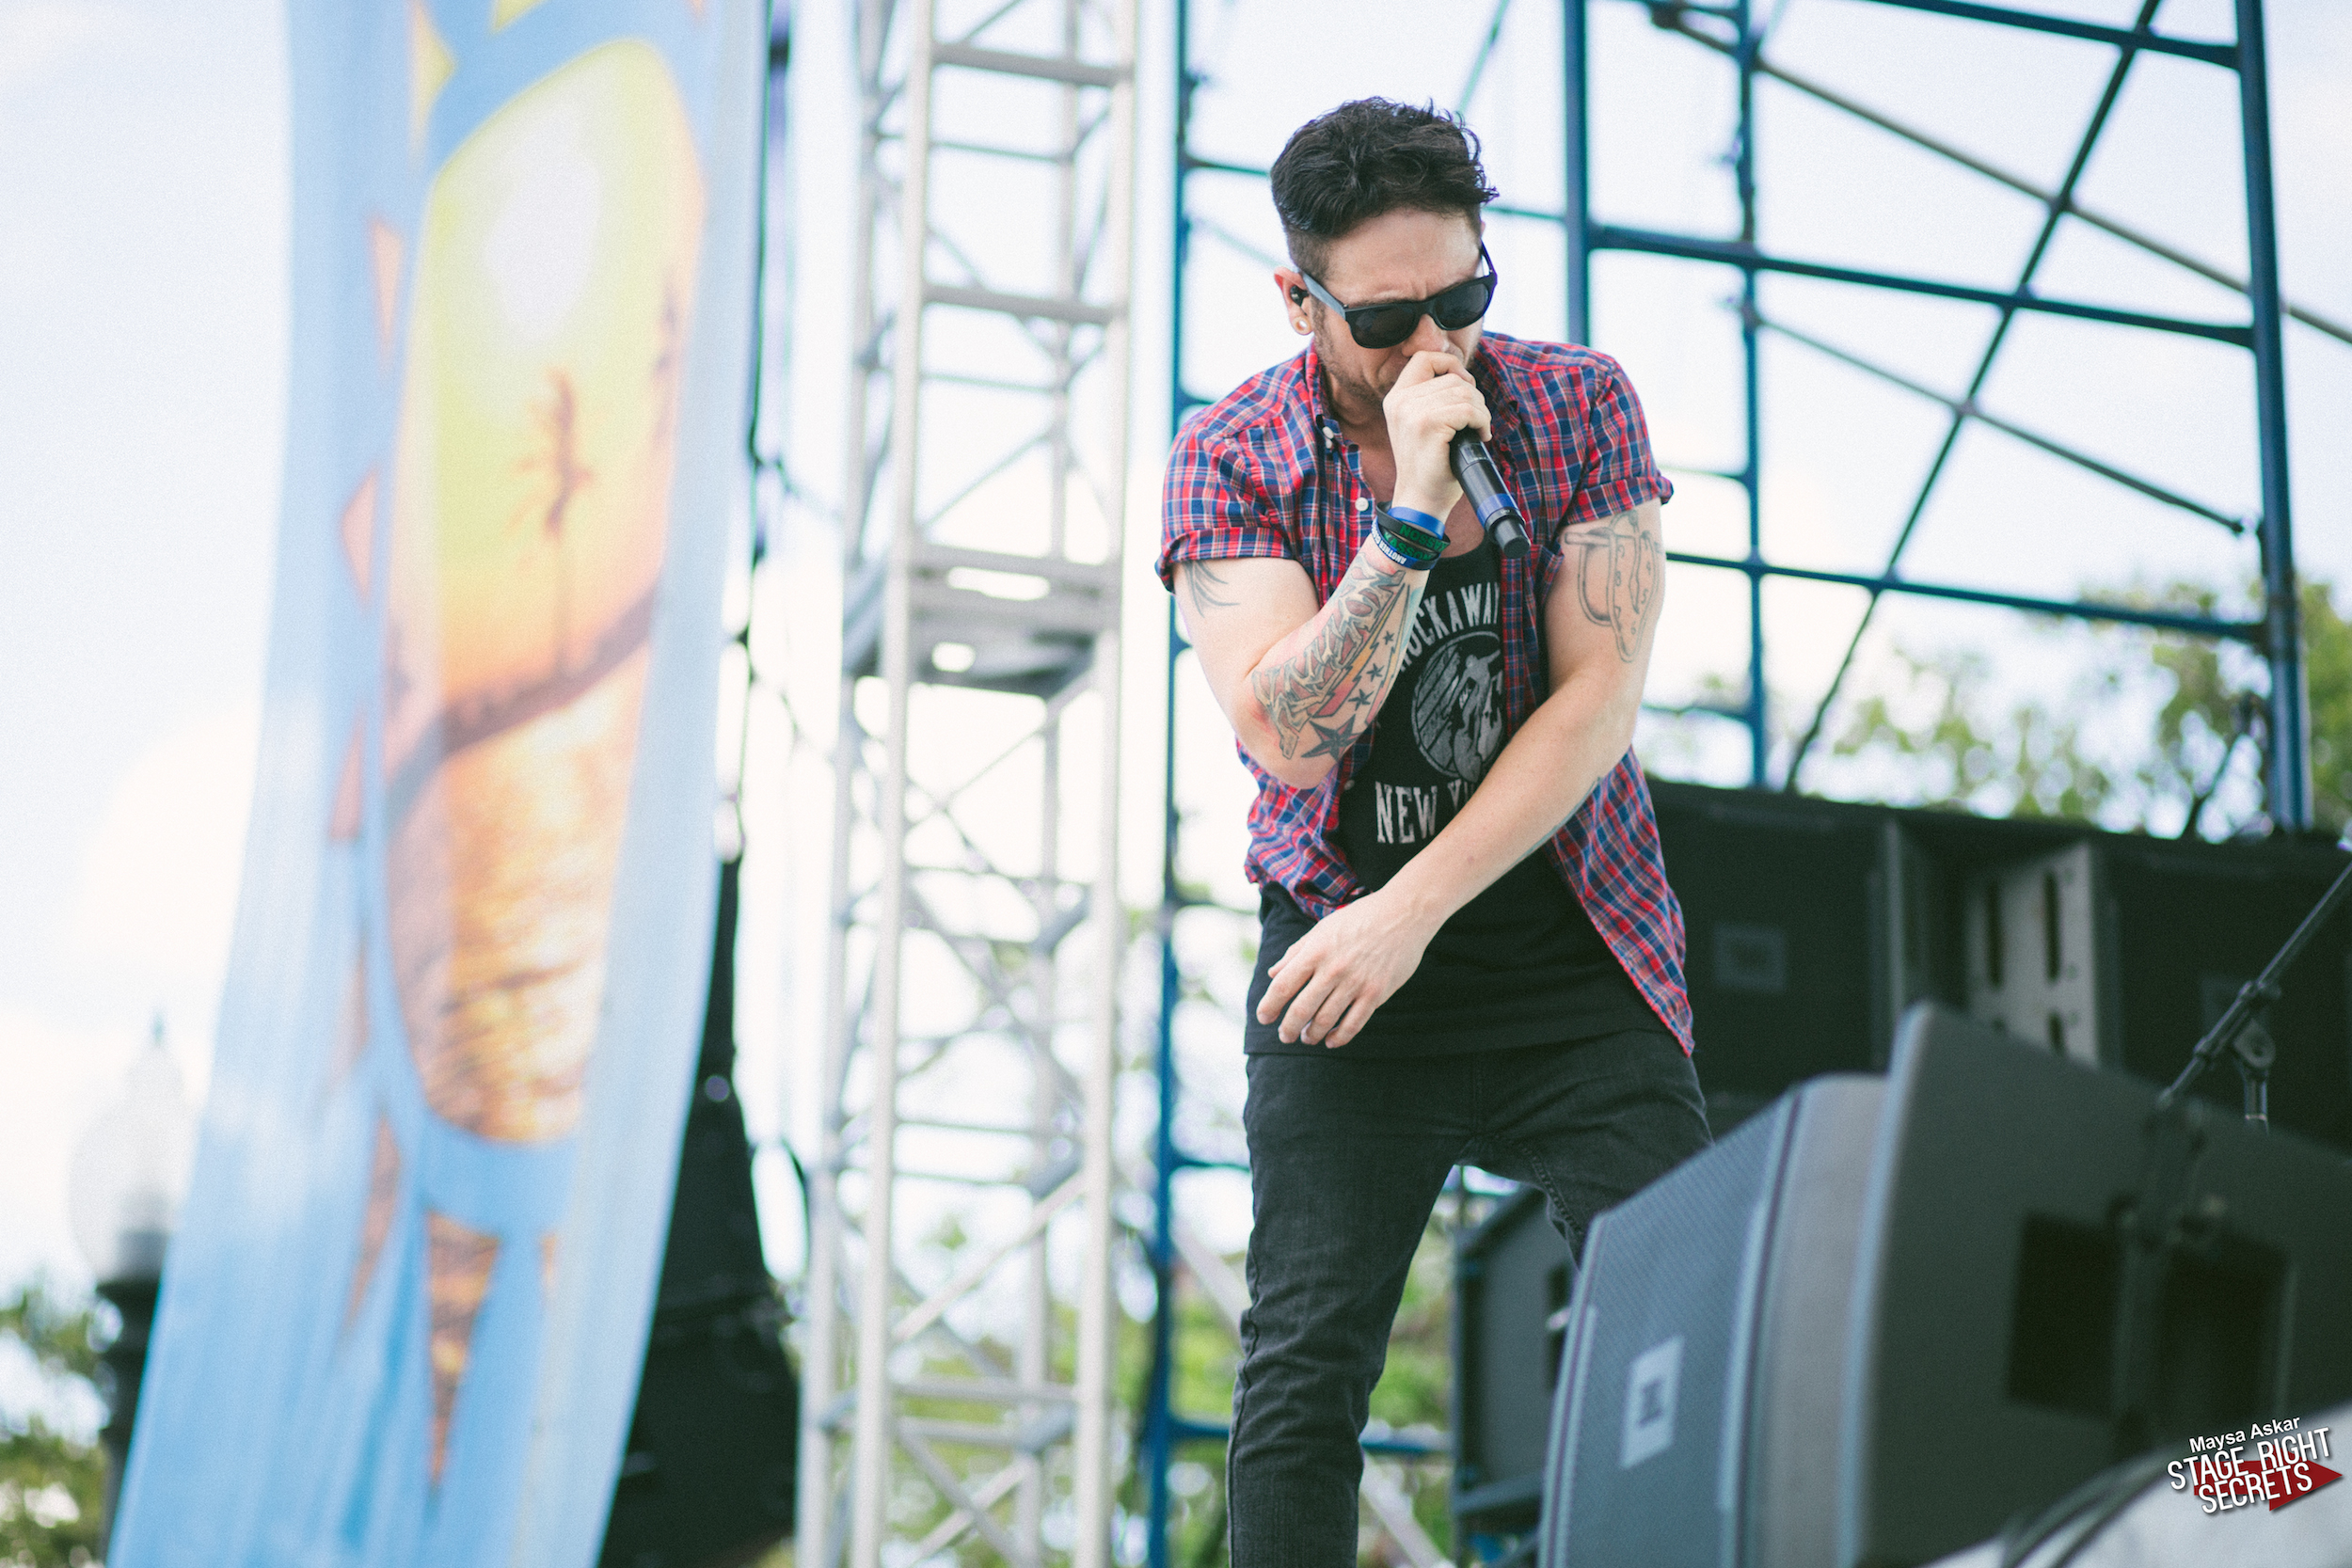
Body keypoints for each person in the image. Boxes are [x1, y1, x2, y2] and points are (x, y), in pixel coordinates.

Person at [1154, 99, 1712, 1566]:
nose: (1435, 344)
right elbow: (1289, 734)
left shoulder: (1577, 403)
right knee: (1301, 1367)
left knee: (1688, 1322)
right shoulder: (1232, 454)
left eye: (1462, 297)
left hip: (1567, 944)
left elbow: (1598, 705)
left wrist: (1418, 910)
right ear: (1302, 302)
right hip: (1340, 960)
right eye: (1388, 318)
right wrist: (1408, 512)